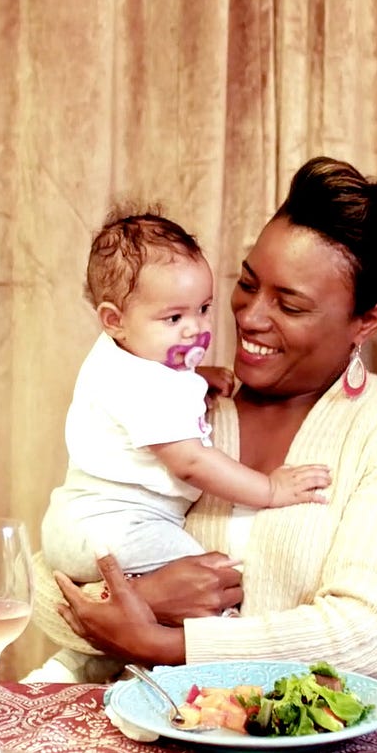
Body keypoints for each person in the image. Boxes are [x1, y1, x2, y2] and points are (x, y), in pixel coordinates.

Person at [34, 156, 377, 688]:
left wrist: (163, 643)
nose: (250, 317)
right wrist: (143, 598)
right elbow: (46, 587)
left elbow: (362, 638)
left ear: (366, 320)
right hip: (167, 722)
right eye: (248, 283)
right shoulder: (180, 401)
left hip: (329, 732)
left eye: (291, 305)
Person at [41, 209, 331, 585]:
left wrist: (195, 377)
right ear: (114, 320)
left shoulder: (120, 356)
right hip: (118, 529)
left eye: (204, 308)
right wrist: (270, 489)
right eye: (174, 318)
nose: (195, 328)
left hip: (76, 522)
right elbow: (191, 463)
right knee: (216, 579)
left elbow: (148, 388)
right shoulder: (146, 387)